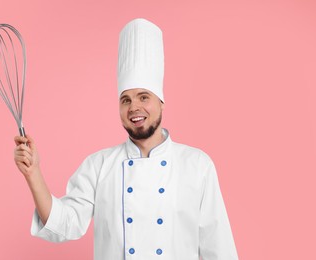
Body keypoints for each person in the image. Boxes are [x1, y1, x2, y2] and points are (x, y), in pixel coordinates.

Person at [14, 18, 238, 260]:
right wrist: (33, 173)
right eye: (126, 100)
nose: (134, 107)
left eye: (143, 97)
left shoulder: (197, 165)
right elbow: (64, 224)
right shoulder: (99, 165)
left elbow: (219, 248)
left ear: (161, 103)